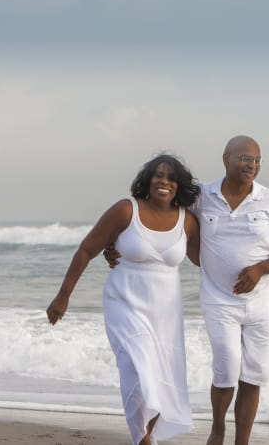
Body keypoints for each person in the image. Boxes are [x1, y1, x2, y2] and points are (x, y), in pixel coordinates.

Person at [107, 136, 269, 445]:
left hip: (262, 303)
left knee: (254, 374)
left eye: (257, 160)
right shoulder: (201, 196)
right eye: (245, 158)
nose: (252, 165)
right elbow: (161, 216)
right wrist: (116, 245)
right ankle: (218, 428)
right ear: (226, 159)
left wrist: (260, 269)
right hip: (218, 300)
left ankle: (242, 442)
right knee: (226, 368)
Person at [47, 154, 201, 445]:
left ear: (179, 185)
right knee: (136, 367)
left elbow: (206, 260)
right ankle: (140, 438)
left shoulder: (188, 221)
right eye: (158, 175)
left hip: (166, 312)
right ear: (147, 179)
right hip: (124, 302)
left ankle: (147, 438)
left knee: (159, 374)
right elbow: (85, 250)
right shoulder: (125, 210)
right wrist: (63, 296)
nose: (164, 182)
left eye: (171, 177)